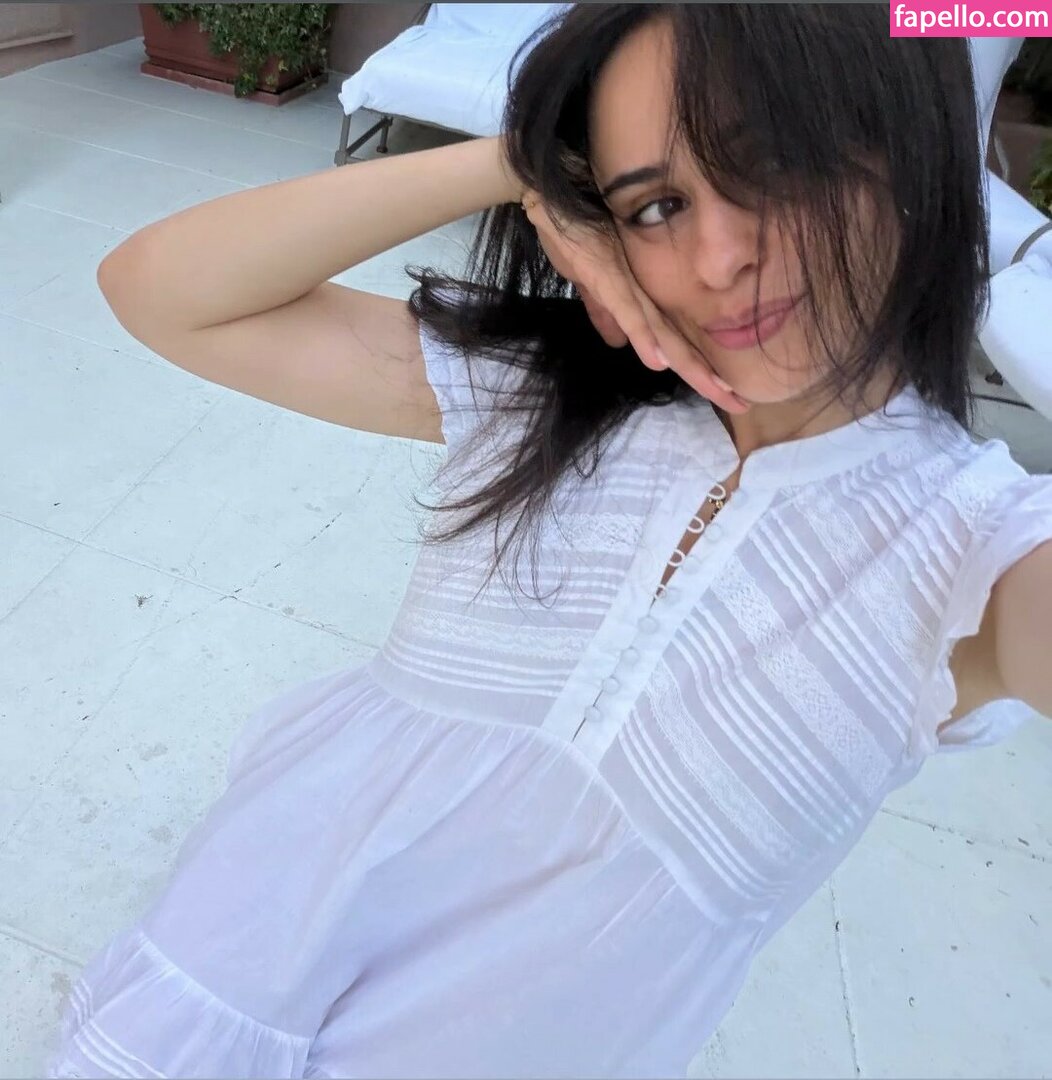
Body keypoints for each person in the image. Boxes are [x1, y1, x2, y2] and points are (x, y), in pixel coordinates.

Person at [49, 5, 1052, 1078]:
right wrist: (513, 164)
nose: (717, 257)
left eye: (779, 166)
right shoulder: (548, 395)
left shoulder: (977, 550)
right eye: (655, 204)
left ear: (911, 152)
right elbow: (160, 291)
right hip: (228, 960)